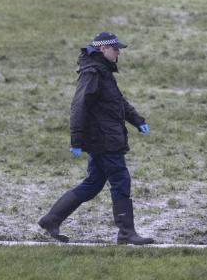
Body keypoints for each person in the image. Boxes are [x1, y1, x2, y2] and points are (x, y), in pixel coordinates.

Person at [38, 32, 154, 245]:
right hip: (104, 140)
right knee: (121, 181)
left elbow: (118, 102)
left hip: (105, 138)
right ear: (103, 49)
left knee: (93, 183)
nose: (118, 52)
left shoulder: (102, 71)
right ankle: (126, 232)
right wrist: (76, 140)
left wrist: (137, 120)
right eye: (115, 48)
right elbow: (78, 106)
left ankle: (51, 219)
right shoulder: (93, 72)